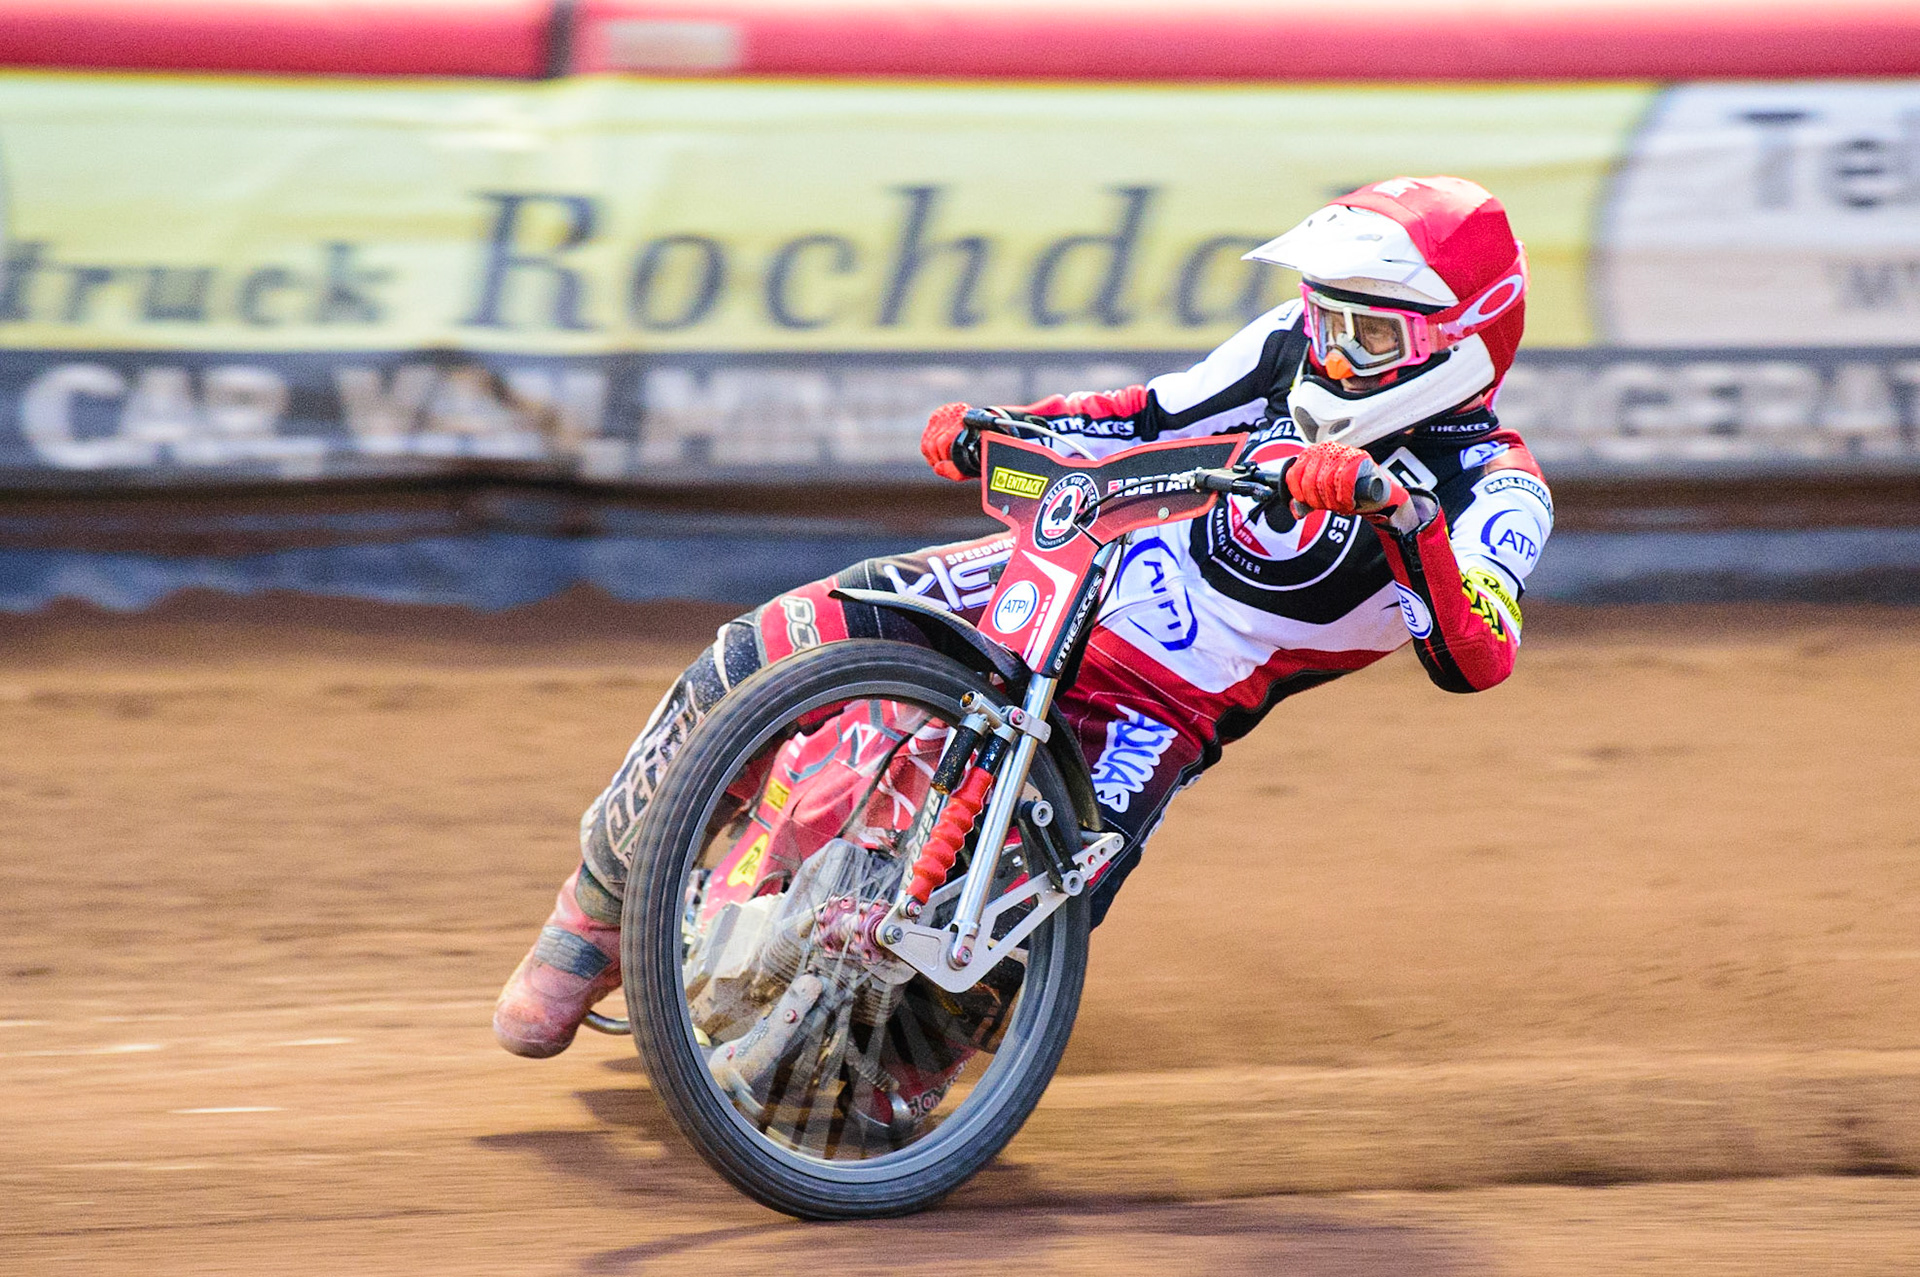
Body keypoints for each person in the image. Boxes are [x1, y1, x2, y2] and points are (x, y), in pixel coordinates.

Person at [493, 175, 1553, 1082]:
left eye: (1367, 333)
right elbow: (1146, 412)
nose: (1328, 348)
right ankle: (591, 917)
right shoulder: (1287, 348)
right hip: (1056, 571)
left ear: (1460, 347)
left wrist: (1403, 518)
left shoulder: (1498, 490)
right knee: (761, 647)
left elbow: (1477, 658)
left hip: (1163, 704)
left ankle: (881, 1096)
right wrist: (1011, 423)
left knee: (1009, 935)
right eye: (1326, 316)